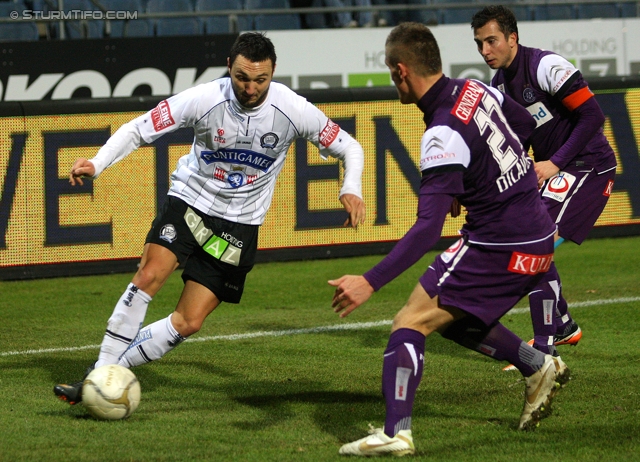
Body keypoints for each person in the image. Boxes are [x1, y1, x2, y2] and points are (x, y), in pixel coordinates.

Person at [54, 32, 366, 405]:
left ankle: (105, 375)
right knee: (150, 274)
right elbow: (139, 128)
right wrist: (97, 162)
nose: (250, 88)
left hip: (240, 224)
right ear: (229, 68)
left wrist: (352, 187)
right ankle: (97, 378)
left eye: (260, 80)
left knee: (188, 322)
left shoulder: (293, 109)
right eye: (241, 78)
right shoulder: (204, 98)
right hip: (191, 202)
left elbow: (349, 145)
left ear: (274, 72)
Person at [329, 22, 570, 457]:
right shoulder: (476, 89)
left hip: (496, 243)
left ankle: (395, 433)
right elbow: (520, 124)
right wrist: (481, 180)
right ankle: (538, 366)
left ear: (401, 71)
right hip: (536, 236)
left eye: (390, 71)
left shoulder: (441, 133)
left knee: (410, 322)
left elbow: (426, 229)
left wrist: (370, 280)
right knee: (455, 320)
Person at [471, 6, 616, 361]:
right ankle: (563, 325)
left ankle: (544, 349)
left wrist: (554, 162)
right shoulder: (500, 85)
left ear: (512, 38)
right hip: (558, 169)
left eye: (491, 41)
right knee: (522, 239)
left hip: (589, 166)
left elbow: (593, 115)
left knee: (535, 245)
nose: (485, 50)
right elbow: (517, 142)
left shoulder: (546, 67)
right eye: (479, 44)